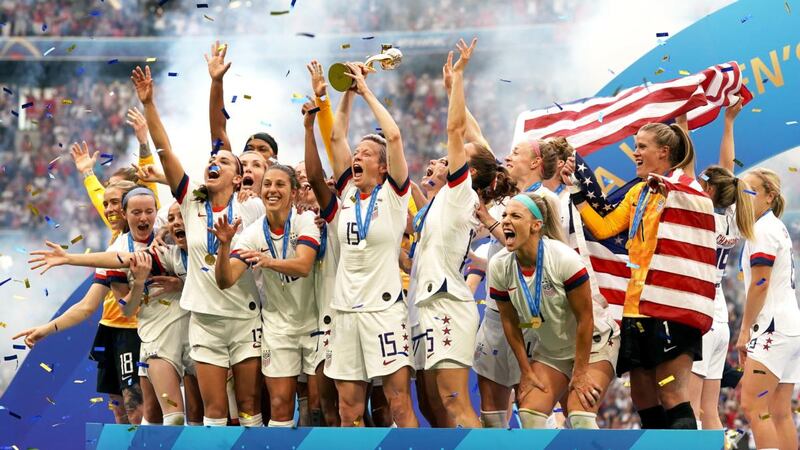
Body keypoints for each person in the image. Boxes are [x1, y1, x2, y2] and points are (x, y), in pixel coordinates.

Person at [131, 65, 265, 427]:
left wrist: (217, 82)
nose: (214, 162)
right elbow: (165, 151)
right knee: (214, 408)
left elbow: (218, 132)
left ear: (238, 178)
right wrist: (149, 104)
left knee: (249, 406)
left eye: (223, 161)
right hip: (205, 319)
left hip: (245, 316)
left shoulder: (252, 207)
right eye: (211, 160)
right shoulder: (191, 200)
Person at [563, 121, 704, 430]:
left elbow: (692, 195)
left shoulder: (682, 190)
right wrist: (576, 191)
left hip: (669, 307)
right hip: (636, 307)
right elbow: (605, 228)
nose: (635, 153)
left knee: (670, 391)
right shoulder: (639, 192)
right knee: (643, 395)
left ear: (663, 152)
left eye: (641, 146)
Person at [410, 38, 503, 428]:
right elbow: (473, 138)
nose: (445, 156)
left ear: (469, 171)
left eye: (457, 155)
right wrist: (453, 91)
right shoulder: (440, 200)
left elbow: (457, 129)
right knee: (433, 409)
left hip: (446, 302)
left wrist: (459, 80)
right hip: (424, 302)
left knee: (454, 403)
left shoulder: (462, 190)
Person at [320, 61, 417, 427]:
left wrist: (365, 91)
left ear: (383, 166)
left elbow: (394, 136)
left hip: (384, 310)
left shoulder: (394, 195)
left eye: (366, 154)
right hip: (345, 311)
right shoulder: (347, 192)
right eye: (356, 153)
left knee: (399, 406)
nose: (357, 156)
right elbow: (335, 139)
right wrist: (346, 92)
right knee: (349, 411)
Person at [15, 180, 146, 424]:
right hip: (112, 332)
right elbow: (87, 306)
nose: (108, 209)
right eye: (105, 204)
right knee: (119, 411)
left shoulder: (154, 234)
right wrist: (45, 329)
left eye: (114, 202)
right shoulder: (114, 247)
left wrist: (69, 258)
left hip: (140, 333)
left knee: (137, 411)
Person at [490, 192, 618, 429]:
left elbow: (585, 319)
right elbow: (510, 322)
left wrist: (580, 372)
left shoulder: (563, 258)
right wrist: (526, 371)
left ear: (536, 225)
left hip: (595, 344)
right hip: (552, 351)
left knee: (580, 417)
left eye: (515, 216)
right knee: (530, 415)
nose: (505, 220)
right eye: (505, 214)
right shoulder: (499, 266)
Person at [214, 164, 321, 428]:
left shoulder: (305, 220)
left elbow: (304, 266)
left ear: (294, 192)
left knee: (319, 405)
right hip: (278, 327)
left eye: (280, 184)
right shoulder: (252, 233)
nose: (272, 190)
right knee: (280, 405)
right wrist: (224, 246)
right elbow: (226, 280)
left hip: (316, 324)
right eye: (268, 184)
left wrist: (268, 261)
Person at [687, 99, 754, 430]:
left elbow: (689, 171)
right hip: (719, 315)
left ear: (710, 190)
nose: (697, 187)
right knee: (709, 411)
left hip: (700, 312)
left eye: (702, 184)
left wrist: (682, 124)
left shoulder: (703, 215)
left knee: (690, 409)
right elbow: (727, 170)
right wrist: (728, 123)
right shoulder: (733, 216)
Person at [737, 168, 800, 450]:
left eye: (751, 191)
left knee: (754, 406)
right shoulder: (776, 227)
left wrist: (744, 331)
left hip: (772, 328)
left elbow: (760, 283)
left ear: (769, 196)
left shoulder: (762, 230)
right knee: (779, 411)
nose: (744, 196)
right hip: (790, 326)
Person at [302, 100, 341, 427]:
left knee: (349, 407)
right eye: (305, 188)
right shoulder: (295, 225)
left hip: (341, 318)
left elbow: (316, 176)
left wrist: (311, 126)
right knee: (317, 407)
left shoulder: (341, 218)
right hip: (302, 323)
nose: (314, 191)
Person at [206, 41, 278, 162]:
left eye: (262, 149)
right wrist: (216, 81)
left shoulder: (284, 173)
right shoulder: (233, 172)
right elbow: (218, 129)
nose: (255, 153)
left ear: (274, 158)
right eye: (249, 148)